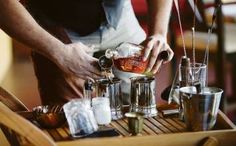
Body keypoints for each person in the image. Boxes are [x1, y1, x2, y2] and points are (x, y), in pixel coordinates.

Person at [0, 0, 174, 105]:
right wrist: (59, 53)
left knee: (140, 106)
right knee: (72, 120)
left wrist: (158, 32)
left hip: (120, 19)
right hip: (56, 30)